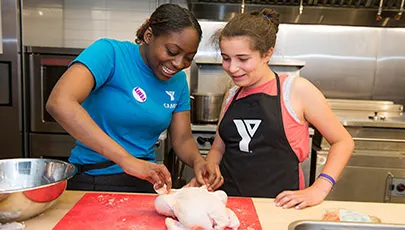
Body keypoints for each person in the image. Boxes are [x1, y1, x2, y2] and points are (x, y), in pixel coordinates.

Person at [46, 3, 221, 193]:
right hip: (94, 177)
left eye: (188, 57)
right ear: (148, 36)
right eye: (172, 51)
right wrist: (127, 160)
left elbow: (182, 139)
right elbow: (60, 102)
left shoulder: (178, 81)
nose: (179, 64)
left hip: (145, 179)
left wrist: (198, 161)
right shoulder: (110, 53)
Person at [193, 8, 354, 209]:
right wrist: (210, 168)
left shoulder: (295, 90)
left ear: (267, 54)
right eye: (226, 58)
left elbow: (343, 141)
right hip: (228, 203)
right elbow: (219, 147)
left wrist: (319, 188)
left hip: (278, 206)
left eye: (243, 59)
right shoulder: (231, 95)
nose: (232, 68)